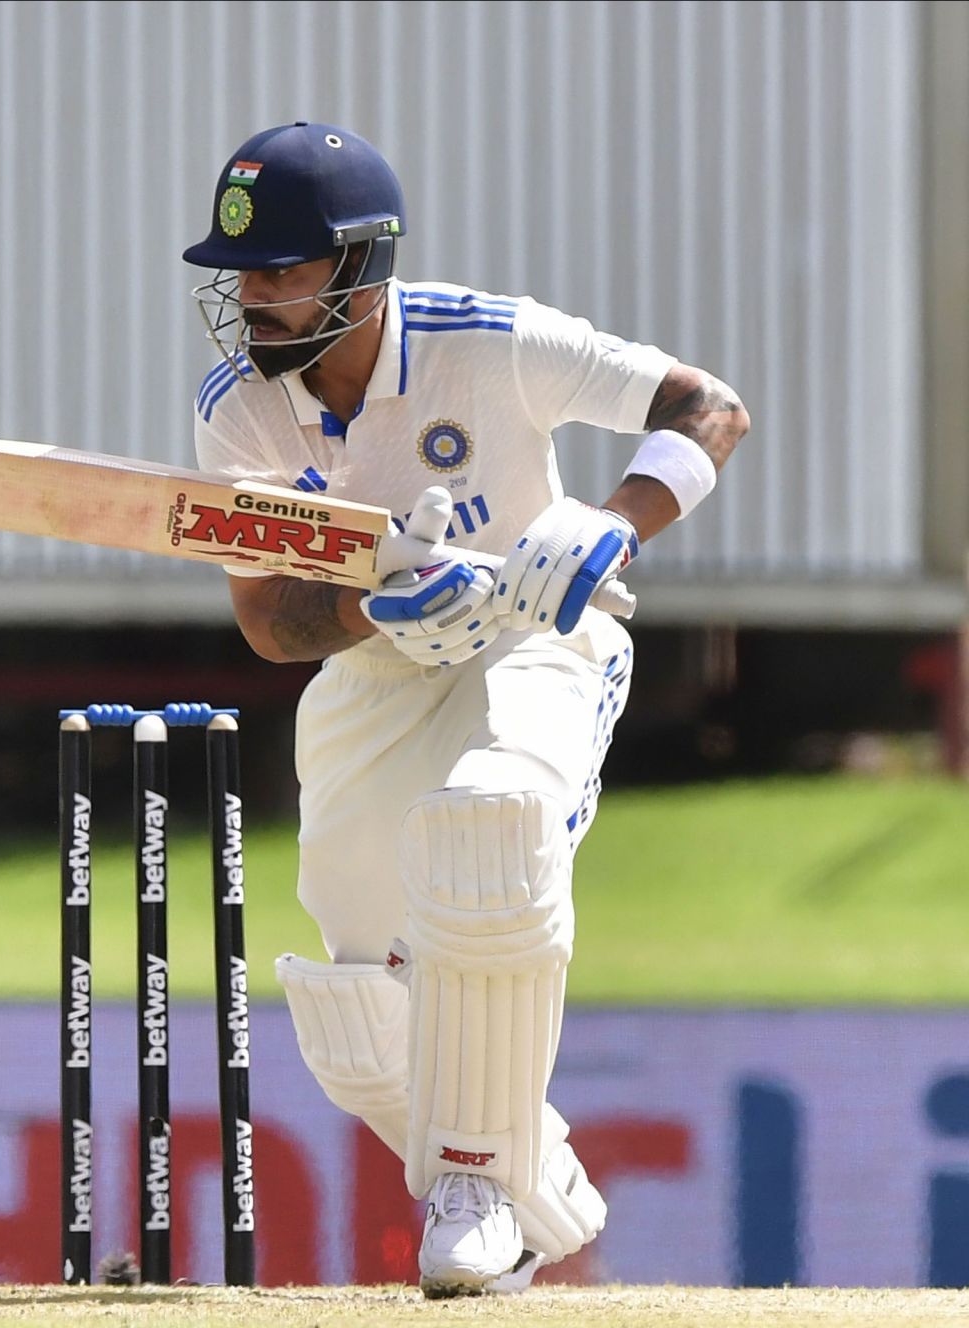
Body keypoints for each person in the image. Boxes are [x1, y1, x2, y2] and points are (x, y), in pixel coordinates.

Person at [183, 123, 748, 1297]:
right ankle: (536, 1182)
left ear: (359, 267)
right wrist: (373, 613)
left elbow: (711, 409)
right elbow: (269, 620)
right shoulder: (241, 406)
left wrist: (614, 520)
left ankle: (478, 1189)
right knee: (355, 1005)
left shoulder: (491, 340)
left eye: (283, 270)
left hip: (545, 628)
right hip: (382, 666)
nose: (253, 298)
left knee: (489, 832)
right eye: (243, 272)